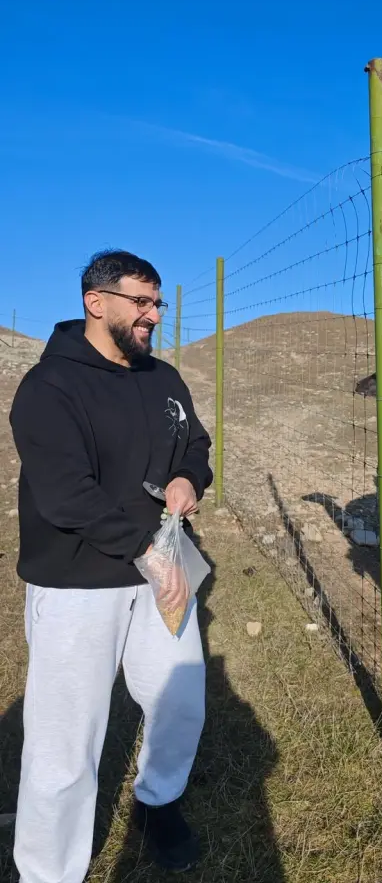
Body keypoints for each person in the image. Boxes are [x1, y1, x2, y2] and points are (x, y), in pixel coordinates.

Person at [9, 249, 213, 882]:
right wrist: (145, 549)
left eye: (158, 304)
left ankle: (158, 802)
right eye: (141, 302)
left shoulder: (164, 379)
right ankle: (48, 869)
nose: (154, 315)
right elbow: (68, 494)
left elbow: (197, 443)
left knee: (181, 699)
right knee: (65, 738)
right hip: (78, 580)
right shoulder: (50, 387)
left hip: (161, 568)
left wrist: (187, 477)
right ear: (95, 303)